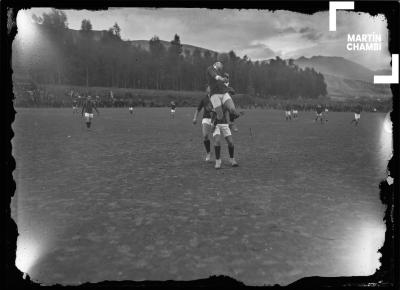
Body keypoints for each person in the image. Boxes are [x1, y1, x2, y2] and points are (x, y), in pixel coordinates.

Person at [193, 93, 214, 162]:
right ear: (207, 89)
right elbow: (198, 109)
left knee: (217, 138)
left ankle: (218, 156)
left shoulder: (216, 97)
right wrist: (195, 118)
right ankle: (208, 153)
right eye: (209, 87)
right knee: (205, 135)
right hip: (206, 118)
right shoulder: (204, 99)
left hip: (215, 119)